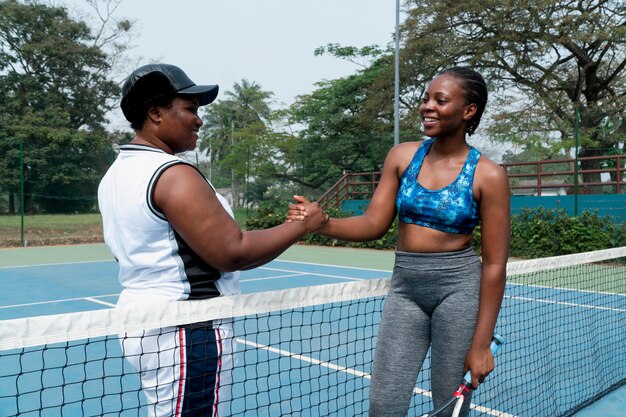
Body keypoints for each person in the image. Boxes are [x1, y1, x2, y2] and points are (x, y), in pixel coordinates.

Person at [98, 63, 327, 417]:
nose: (199, 120)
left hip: (146, 320)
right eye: (189, 108)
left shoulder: (116, 173)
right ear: (155, 113)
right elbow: (232, 252)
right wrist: (303, 224)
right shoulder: (173, 175)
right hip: (188, 328)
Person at [288, 67, 510, 417]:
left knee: (449, 407)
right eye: (425, 99)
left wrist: (481, 344)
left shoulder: (489, 174)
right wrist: (324, 224)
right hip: (405, 288)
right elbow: (374, 223)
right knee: (384, 404)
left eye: (440, 100)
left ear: (469, 111)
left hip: (459, 290)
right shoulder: (402, 156)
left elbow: (496, 264)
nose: (427, 107)